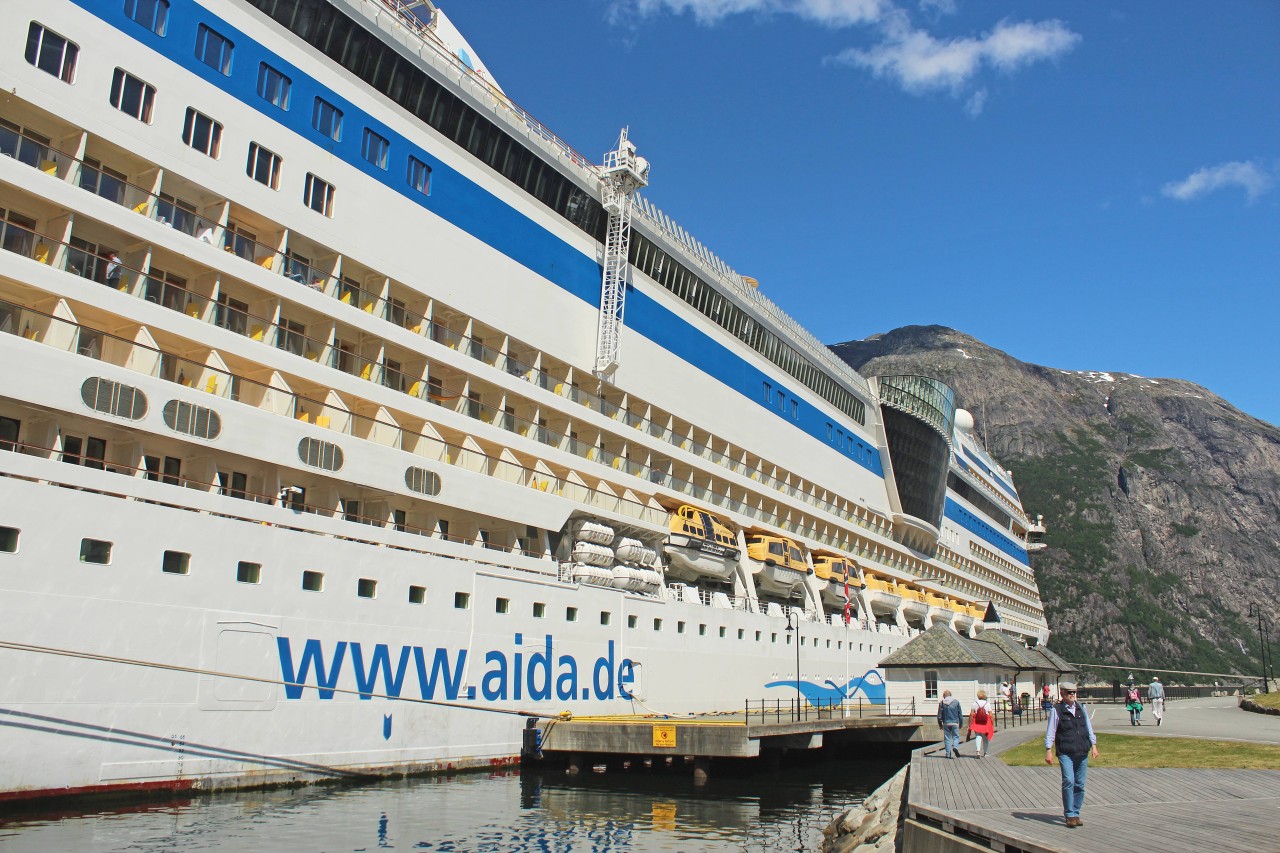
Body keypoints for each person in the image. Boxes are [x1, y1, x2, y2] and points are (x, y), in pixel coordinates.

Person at [1045, 681, 1099, 828]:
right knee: (1069, 780)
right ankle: (1069, 814)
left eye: (1074, 692)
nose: (1072, 695)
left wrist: (1093, 745)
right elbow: (1051, 730)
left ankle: (1076, 813)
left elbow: (1088, 727)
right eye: (1069, 692)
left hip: (1082, 750)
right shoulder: (1057, 710)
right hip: (1065, 751)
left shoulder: (1082, 708)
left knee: (1080, 784)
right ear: (1062, 693)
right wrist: (1048, 749)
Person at [968, 689, 995, 758]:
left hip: (977, 721)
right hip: (986, 722)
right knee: (985, 738)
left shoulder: (975, 703)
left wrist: (970, 722)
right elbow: (991, 715)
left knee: (978, 736)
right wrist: (992, 723)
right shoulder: (987, 704)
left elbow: (971, 714)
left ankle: (978, 752)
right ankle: (985, 753)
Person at [937, 689, 963, 759]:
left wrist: (940, 724)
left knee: (947, 738)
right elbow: (960, 714)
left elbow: (939, 716)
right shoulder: (956, 702)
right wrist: (961, 723)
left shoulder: (941, 703)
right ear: (950, 695)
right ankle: (955, 747)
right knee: (956, 737)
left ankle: (948, 754)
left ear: (944, 696)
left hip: (946, 723)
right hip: (955, 722)